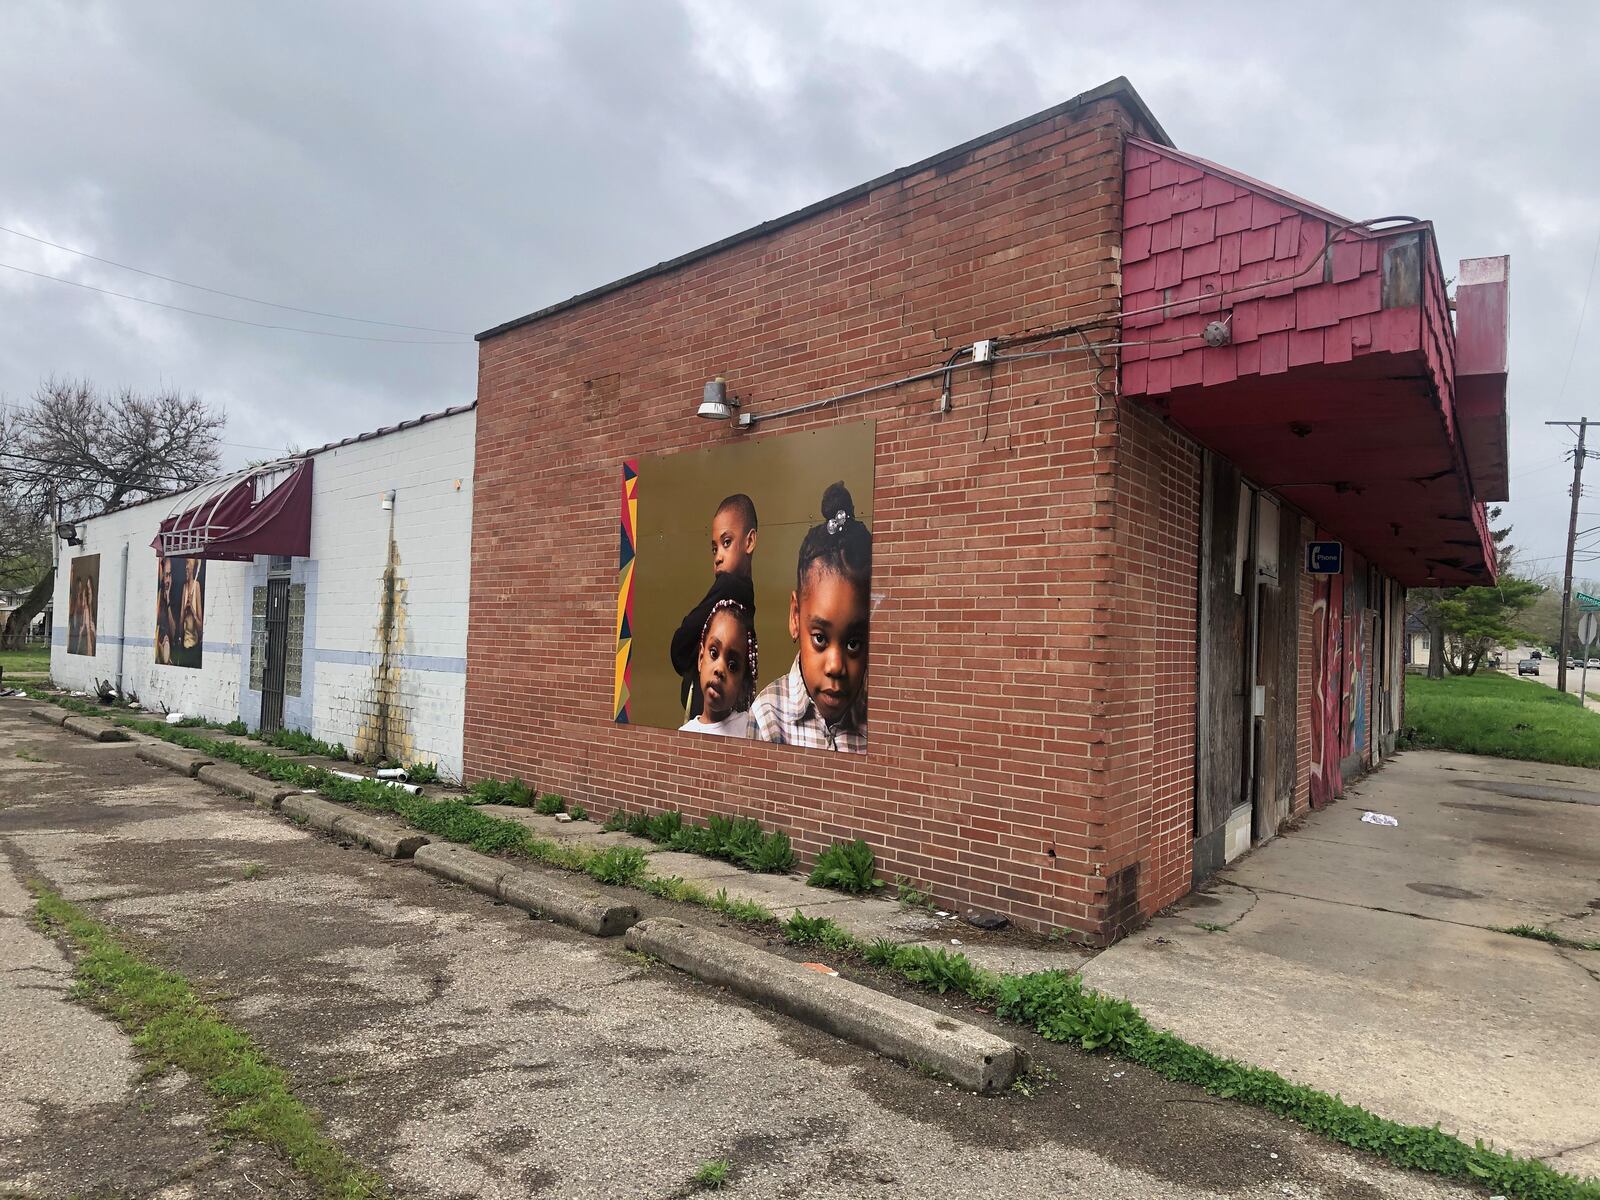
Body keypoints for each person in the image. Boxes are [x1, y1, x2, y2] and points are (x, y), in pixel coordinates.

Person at [751, 481, 869, 752]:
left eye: (853, 643)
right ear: (795, 616)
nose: (835, 666)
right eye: (819, 638)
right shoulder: (766, 719)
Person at [670, 493, 758, 720]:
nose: (718, 556)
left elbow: (679, 646)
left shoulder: (729, 585)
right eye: (714, 548)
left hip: (706, 706)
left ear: (749, 542)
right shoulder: (746, 591)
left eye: (726, 543)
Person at [678, 599, 758, 738]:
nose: (719, 669)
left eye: (732, 666)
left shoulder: (751, 730)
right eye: (714, 653)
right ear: (701, 658)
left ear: (743, 687)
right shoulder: (684, 735)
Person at [178, 557, 203, 664]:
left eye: (188, 563)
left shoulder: (196, 586)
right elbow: (180, 624)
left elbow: (200, 626)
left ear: (193, 567)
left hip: (194, 646)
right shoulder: (185, 587)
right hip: (184, 646)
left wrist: (192, 611)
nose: (186, 567)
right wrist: (185, 609)